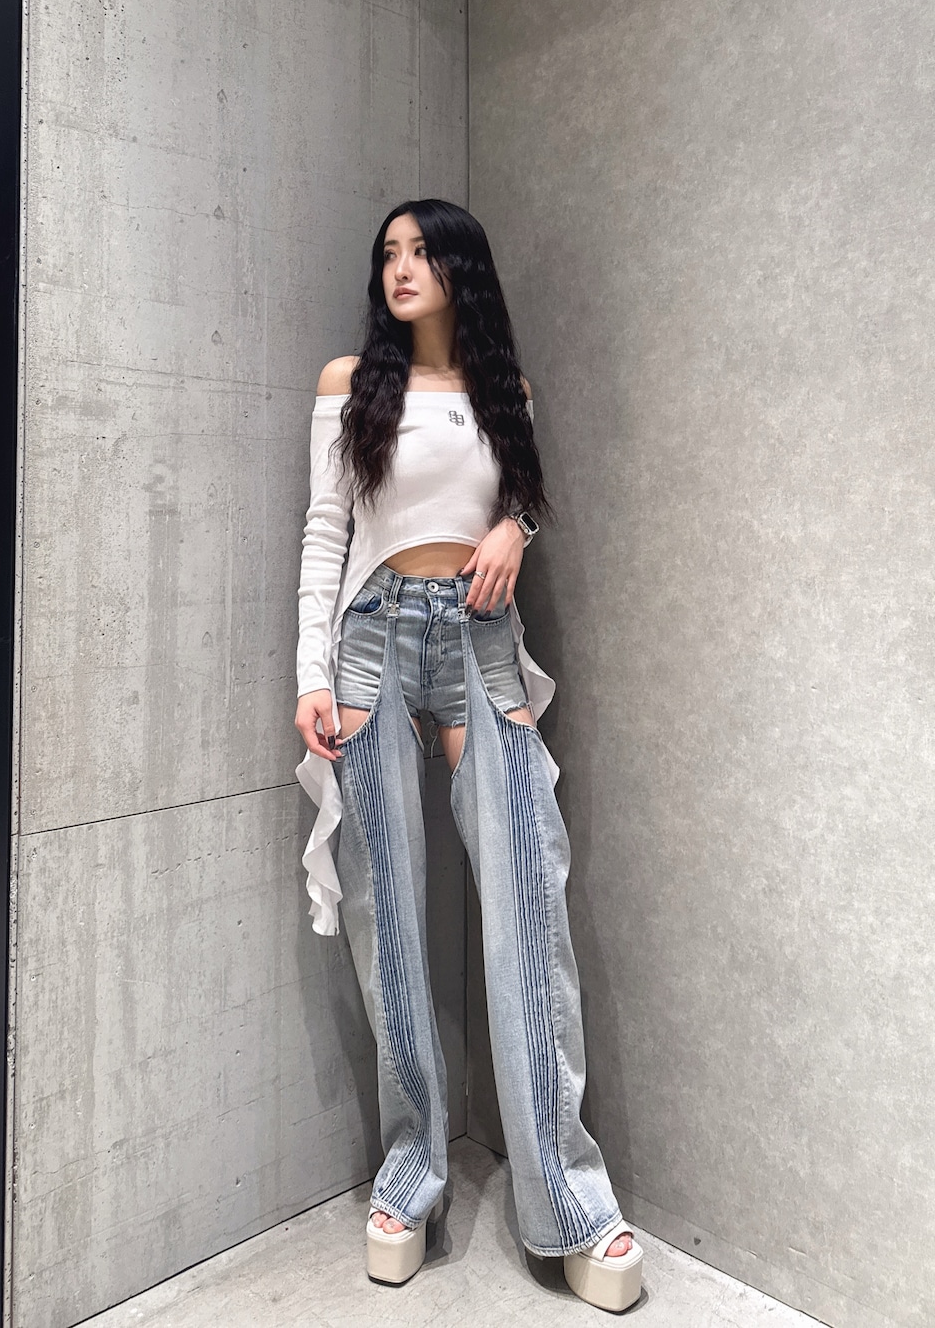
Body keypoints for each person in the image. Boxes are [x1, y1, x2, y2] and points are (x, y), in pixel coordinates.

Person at [294, 198, 643, 1312]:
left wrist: (514, 528)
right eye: (388, 254)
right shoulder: (351, 382)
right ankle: (411, 1175)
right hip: (370, 641)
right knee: (387, 914)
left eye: (421, 251)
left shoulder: (505, 393)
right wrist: (307, 675)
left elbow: (519, 501)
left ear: (461, 268)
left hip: (480, 644)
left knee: (528, 905)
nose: (401, 268)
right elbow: (326, 531)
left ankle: (570, 1203)